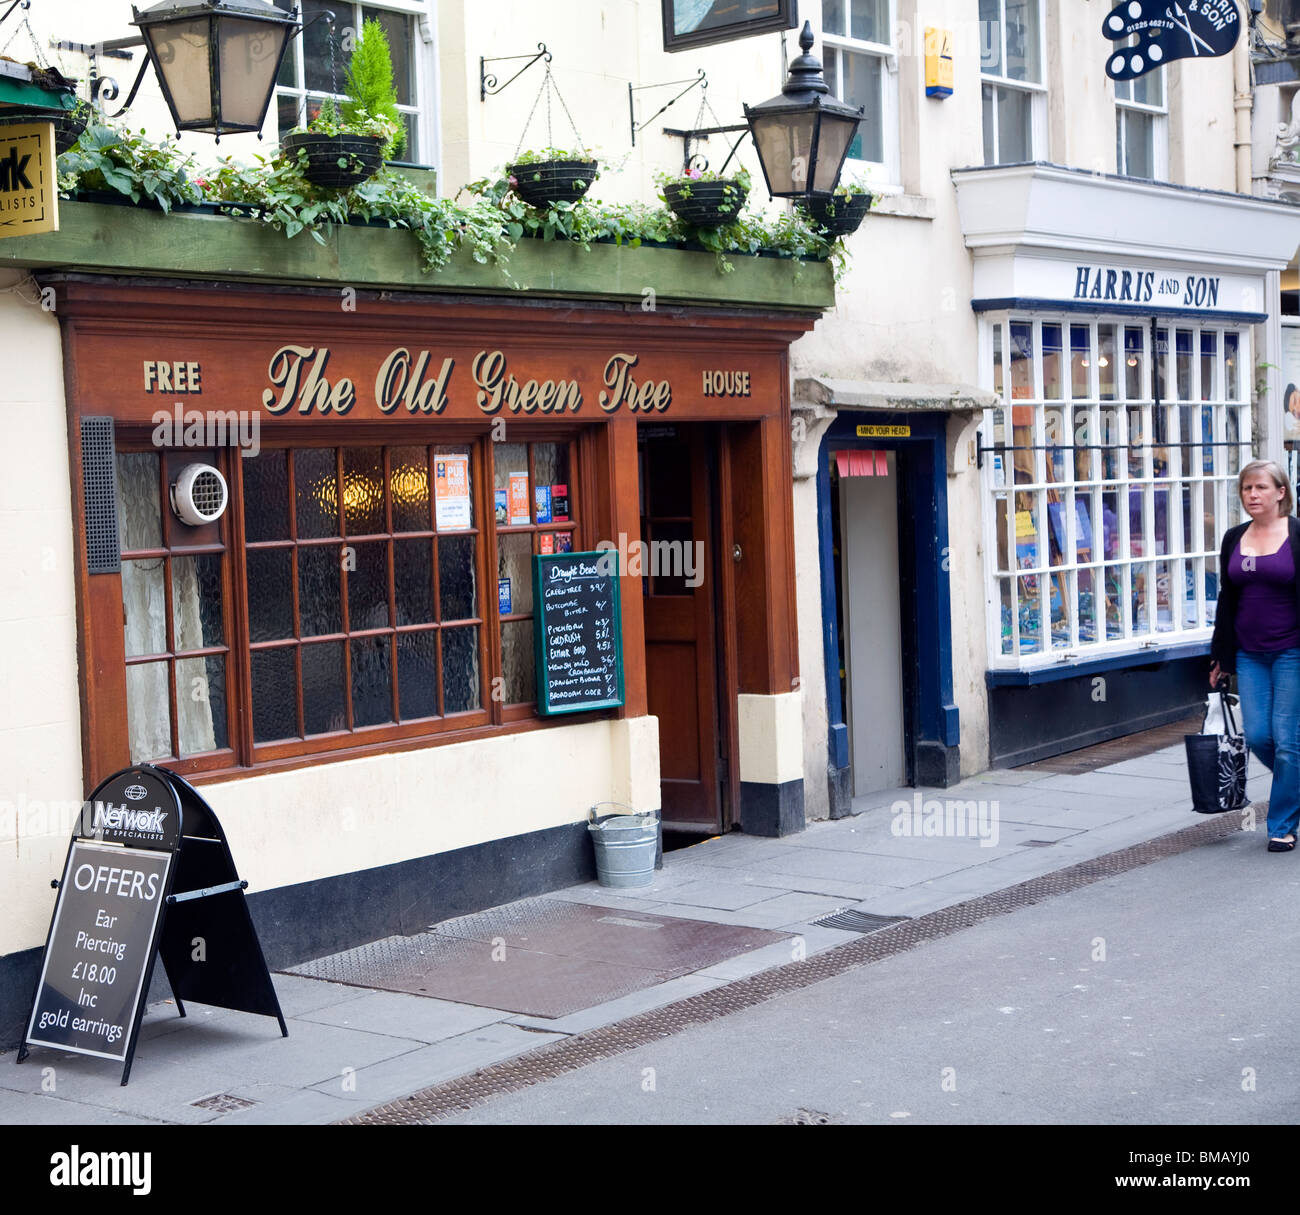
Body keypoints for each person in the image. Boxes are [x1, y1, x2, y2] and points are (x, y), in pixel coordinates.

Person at [1209, 460, 1300, 851]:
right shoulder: (1233, 538)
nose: (1252, 495)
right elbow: (1226, 600)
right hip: (1249, 653)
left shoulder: (1297, 536)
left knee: (1287, 740)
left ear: (1281, 492)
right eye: (1247, 489)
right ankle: (1292, 790)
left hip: (1292, 652)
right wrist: (1220, 657)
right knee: (1260, 736)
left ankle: (1280, 824)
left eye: (1261, 488)